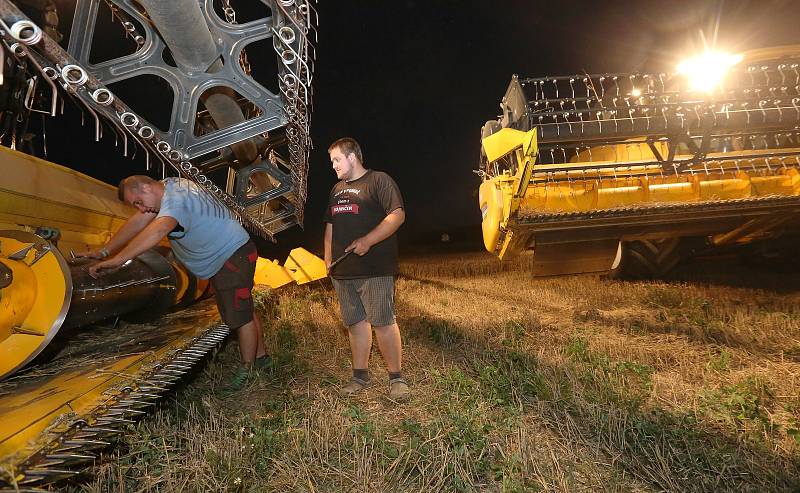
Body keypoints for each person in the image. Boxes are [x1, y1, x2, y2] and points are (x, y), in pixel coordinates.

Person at [79, 175, 269, 388]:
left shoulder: (177, 199)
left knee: (239, 317)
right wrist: (105, 251)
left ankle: (247, 371)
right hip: (230, 254)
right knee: (244, 309)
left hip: (230, 256)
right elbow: (139, 222)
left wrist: (118, 260)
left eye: (138, 203)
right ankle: (261, 359)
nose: (140, 209)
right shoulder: (169, 185)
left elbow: (160, 228)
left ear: (146, 187)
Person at [323, 137, 409, 400]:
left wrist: (368, 241)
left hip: (374, 268)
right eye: (332, 162)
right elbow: (330, 226)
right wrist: (327, 260)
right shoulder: (336, 189)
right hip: (343, 272)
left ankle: (397, 379)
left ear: (352, 157)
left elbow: (397, 215)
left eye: (337, 159)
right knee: (355, 324)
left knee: (383, 322)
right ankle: (360, 376)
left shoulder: (379, 180)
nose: (334, 166)